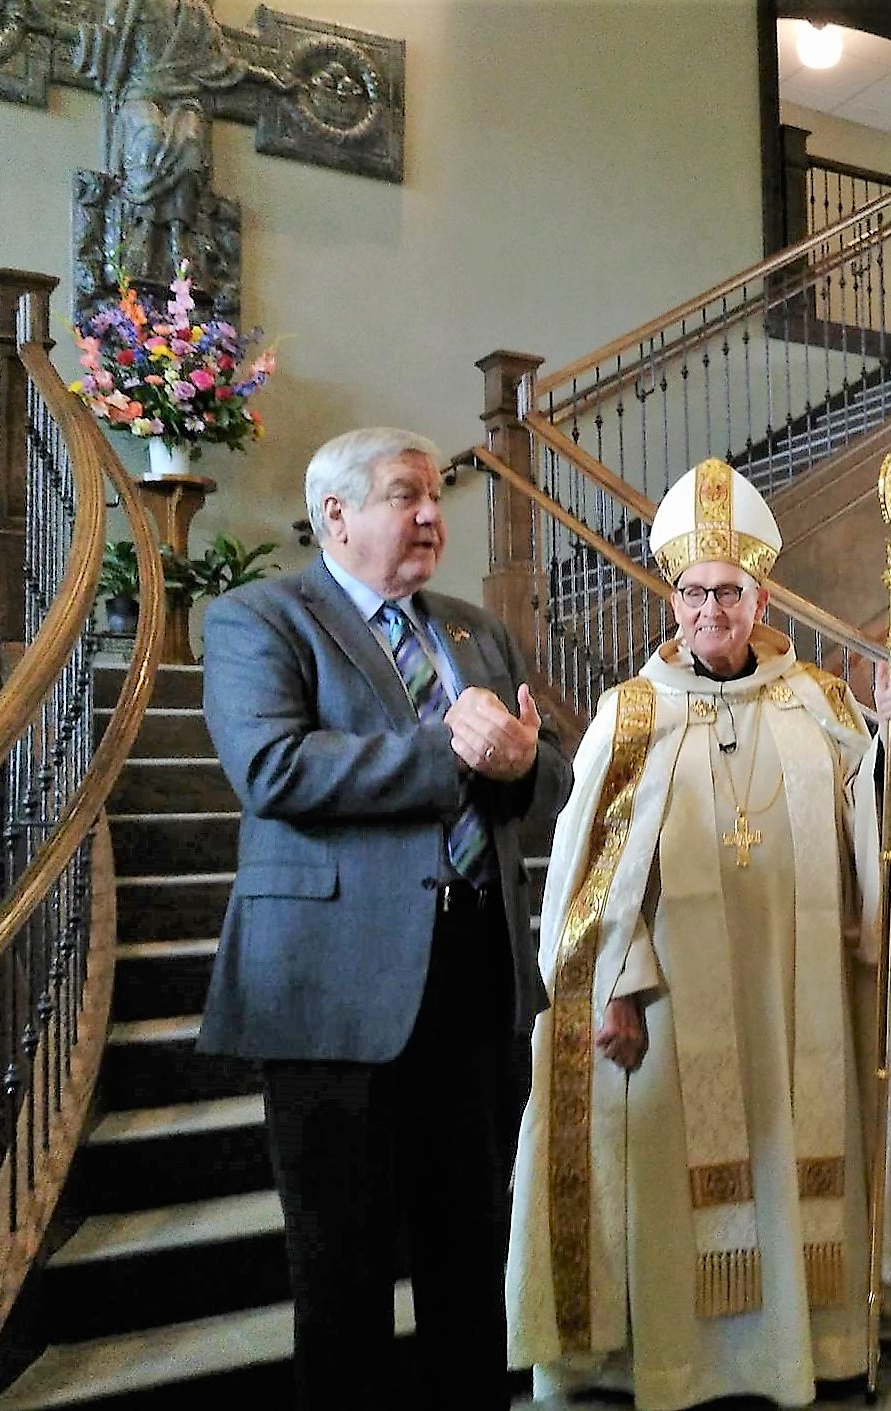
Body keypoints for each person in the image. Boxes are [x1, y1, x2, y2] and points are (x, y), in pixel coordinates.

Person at [506, 458, 891, 1411]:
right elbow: (594, 870)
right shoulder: (629, 715)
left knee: (797, 1161)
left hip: (799, 995)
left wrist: (888, 744)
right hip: (675, 1004)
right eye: (691, 591)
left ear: (759, 598)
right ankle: (683, 1363)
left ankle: (813, 1345)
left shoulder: (818, 700)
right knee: (682, 1179)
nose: (707, 608)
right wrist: (620, 986)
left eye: (727, 591)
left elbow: (875, 841)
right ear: (672, 599)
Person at [197, 427, 574, 1411]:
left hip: (474, 981)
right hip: (333, 995)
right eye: (404, 495)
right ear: (335, 514)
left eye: (436, 498)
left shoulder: (471, 631)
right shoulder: (259, 619)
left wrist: (518, 764)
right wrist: (452, 753)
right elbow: (273, 768)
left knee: (469, 1257)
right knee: (342, 1272)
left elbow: (546, 784)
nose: (429, 515)